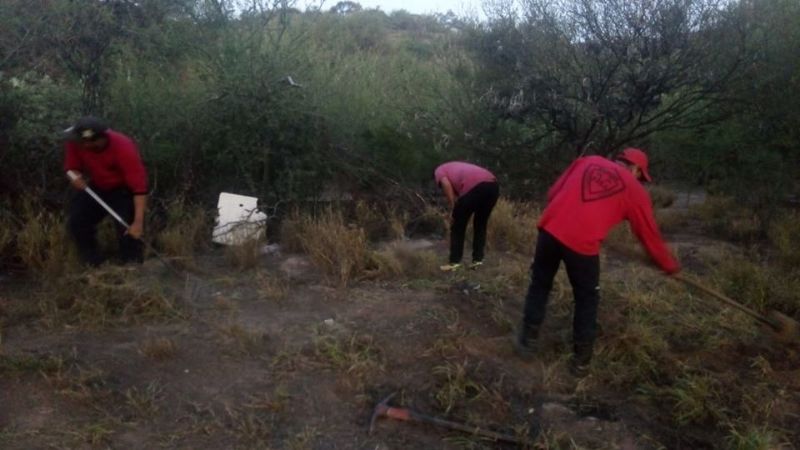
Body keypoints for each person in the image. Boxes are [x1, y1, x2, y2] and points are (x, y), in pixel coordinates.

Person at [515, 148, 680, 376]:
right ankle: (581, 363)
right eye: (640, 176)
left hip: (550, 229)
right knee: (586, 299)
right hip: (581, 245)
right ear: (635, 169)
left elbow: (553, 192)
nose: (639, 180)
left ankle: (527, 342)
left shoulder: (587, 160)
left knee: (540, 284)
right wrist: (669, 266)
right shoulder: (635, 190)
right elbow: (648, 235)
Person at [63, 116, 148, 266]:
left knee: (127, 229)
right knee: (77, 221)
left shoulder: (123, 146)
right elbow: (71, 167)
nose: (78, 144)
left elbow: (139, 188)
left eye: (83, 142)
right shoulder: (75, 141)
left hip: (123, 190)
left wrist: (138, 223)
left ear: (95, 141)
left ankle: (132, 265)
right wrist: (74, 176)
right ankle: (93, 263)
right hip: (97, 186)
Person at [434, 161, 499, 271]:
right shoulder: (454, 166)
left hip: (475, 187)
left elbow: (446, 184)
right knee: (480, 225)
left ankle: (454, 263)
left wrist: (452, 209)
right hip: (493, 186)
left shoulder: (439, 170)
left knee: (457, 225)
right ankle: (477, 261)